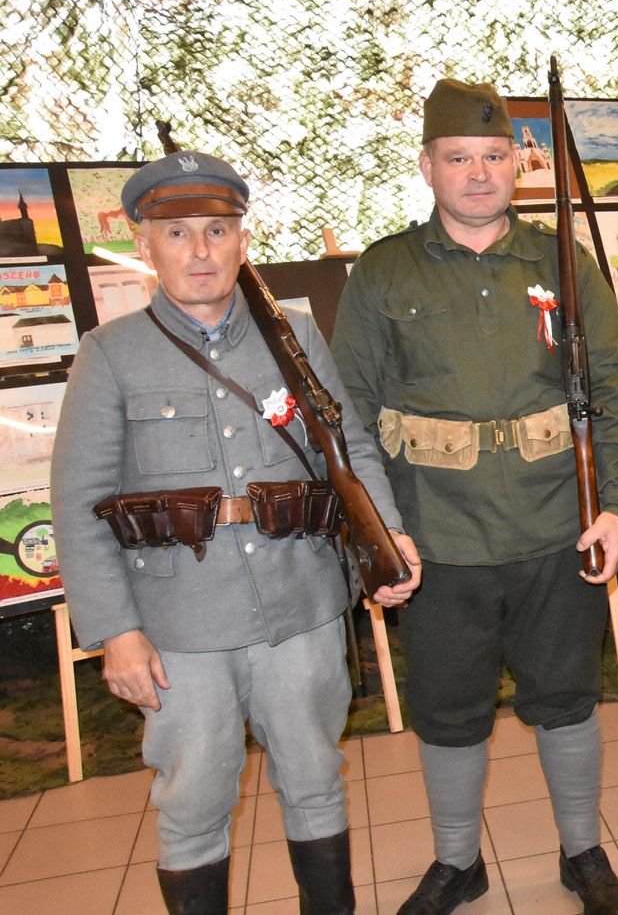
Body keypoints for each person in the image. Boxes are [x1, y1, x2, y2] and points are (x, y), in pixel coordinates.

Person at [52, 152, 422, 914]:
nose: (200, 250)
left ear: (242, 241)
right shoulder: (111, 354)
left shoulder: (294, 336)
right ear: (145, 245)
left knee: (315, 779)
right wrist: (115, 632)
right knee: (193, 802)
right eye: (177, 232)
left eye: (217, 231)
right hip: (179, 626)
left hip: (300, 605)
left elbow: (348, 445)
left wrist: (388, 536)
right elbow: (79, 503)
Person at [330, 79, 618, 915]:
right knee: (447, 709)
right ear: (427, 166)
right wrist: (380, 535)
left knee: (567, 698)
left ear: (518, 164)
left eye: (494, 156)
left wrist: (617, 507)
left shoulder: (563, 263)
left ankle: (583, 850)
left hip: (556, 527)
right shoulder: (384, 270)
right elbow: (349, 414)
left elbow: (612, 389)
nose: (478, 174)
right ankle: (456, 861)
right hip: (435, 538)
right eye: (459, 158)